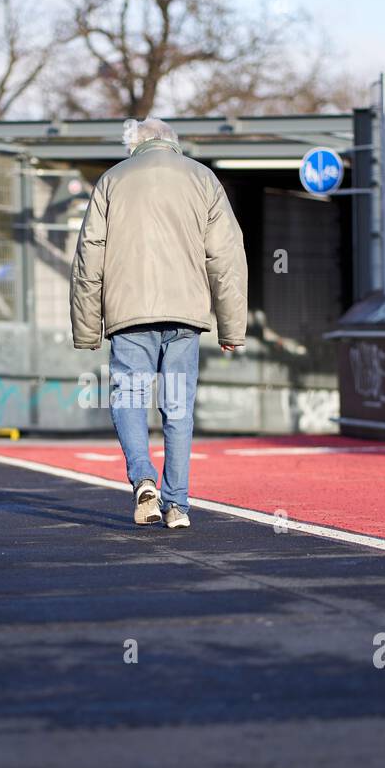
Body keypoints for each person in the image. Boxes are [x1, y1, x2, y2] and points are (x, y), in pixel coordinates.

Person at [70, 117, 248, 529]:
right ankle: (177, 506)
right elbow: (225, 257)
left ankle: (143, 480)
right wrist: (231, 326)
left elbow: (89, 254)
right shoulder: (203, 179)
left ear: (137, 144)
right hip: (186, 313)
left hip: (129, 313)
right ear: (173, 143)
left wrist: (86, 326)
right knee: (178, 407)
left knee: (130, 397)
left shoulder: (112, 180)